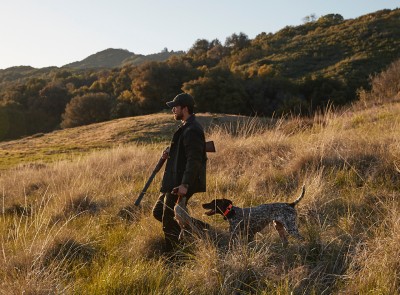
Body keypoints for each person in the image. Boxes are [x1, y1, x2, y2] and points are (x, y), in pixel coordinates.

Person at [152, 93, 207, 252]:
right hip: (174, 179)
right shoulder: (186, 127)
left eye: (175, 107)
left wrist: (185, 184)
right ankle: (202, 231)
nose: (173, 110)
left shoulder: (192, 129)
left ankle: (175, 256)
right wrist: (172, 152)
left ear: (185, 108)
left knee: (167, 219)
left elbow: (194, 159)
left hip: (180, 182)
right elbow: (185, 153)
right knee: (158, 212)